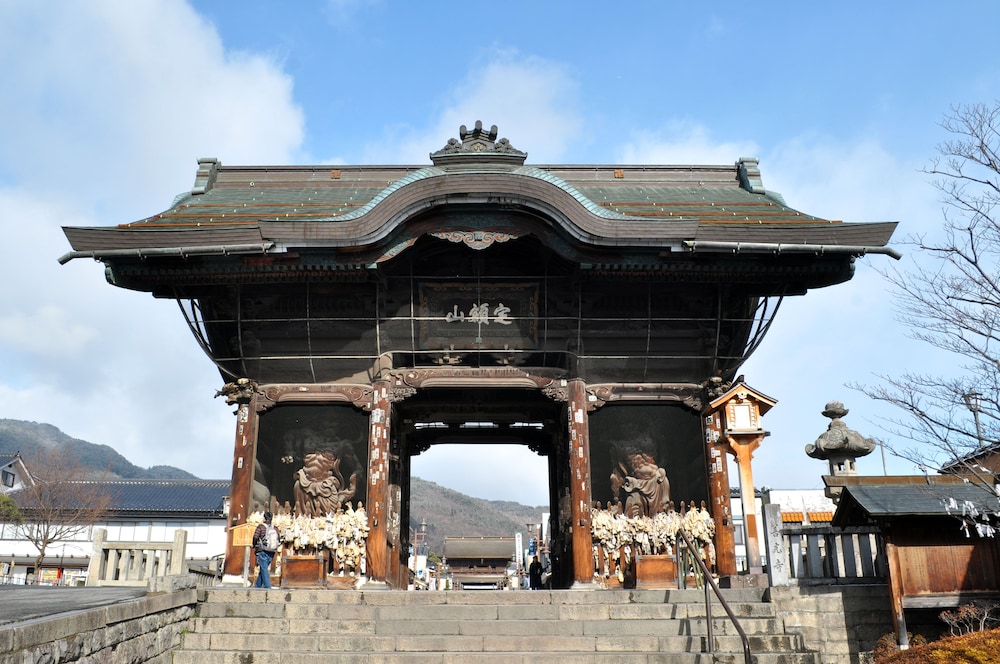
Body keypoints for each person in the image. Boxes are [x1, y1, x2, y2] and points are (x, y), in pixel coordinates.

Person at [252, 512, 275, 589]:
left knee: (264, 569)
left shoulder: (261, 527)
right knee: (263, 568)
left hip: (263, 550)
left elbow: (255, 537)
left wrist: (254, 545)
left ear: (264, 518)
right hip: (272, 551)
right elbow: (278, 538)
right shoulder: (274, 528)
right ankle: (257, 587)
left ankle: (267, 587)